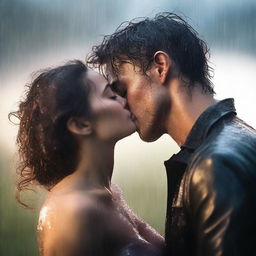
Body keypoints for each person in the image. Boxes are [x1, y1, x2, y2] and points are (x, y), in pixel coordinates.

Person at [88, 12, 256, 255]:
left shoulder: (214, 165)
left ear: (160, 67)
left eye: (122, 88)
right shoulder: (237, 138)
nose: (122, 104)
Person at [10, 60, 164, 256]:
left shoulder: (110, 193)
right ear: (81, 125)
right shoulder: (73, 211)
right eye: (110, 95)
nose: (124, 98)